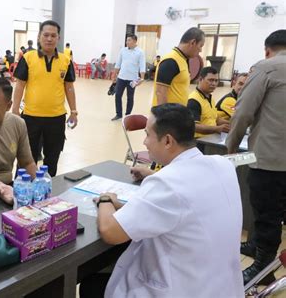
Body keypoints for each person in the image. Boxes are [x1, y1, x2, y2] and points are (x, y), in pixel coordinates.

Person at [80, 103, 243, 298]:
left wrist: (106, 199)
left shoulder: (167, 184)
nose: (145, 142)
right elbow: (186, 200)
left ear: (167, 141)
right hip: (218, 286)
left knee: (91, 285)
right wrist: (151, 174)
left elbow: (111, 232)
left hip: (180, 289)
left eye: (148, 134)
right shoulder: (221, 164)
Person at [226, 29, 286, 285]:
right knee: (276, 213)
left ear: (267, 49)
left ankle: (263, 268)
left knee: (266, 213)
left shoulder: (266, 68)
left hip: (270, 158)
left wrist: (231, 148)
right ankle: (257, 246)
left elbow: (242, 113)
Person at [12, 20, 77, 176]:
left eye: (53, 35)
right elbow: (20, 85)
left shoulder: (65, 61)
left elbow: (69, 87)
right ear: (39, 36)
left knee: (52, 158)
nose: (49, 39)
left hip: (57, 118)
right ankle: (20, 191)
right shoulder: (28, 57)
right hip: (30, 117)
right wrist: (15, 110)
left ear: (58, 38)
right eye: (46, 35)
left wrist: (74, 111)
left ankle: (48, 189)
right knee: (26, 157)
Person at [152, 27, 205, 106]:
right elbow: (160, 93)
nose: (200, 50)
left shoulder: (182, 59)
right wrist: (164, 117)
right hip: (167, 116)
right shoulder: (171, 61)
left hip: (177, 114)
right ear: (193, 42)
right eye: (201, 46)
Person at [187, 67, 230, 139]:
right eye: (210, 80)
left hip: (211, 138)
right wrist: (217, 129)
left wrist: (232, 124)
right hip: (199, 141)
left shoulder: (210, 98)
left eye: (216, 81)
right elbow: (194, 126)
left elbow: (215, 119)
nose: (214, 84)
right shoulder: (194, 100)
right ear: (200, 79)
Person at [111, 34, 146, 121]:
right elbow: (118, 63)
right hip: (121, 77)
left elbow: (142, 66)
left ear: (134, 41)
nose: (127, 42)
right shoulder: (123, 50)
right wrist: (114, 75)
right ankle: (118, 114)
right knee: (118, 95)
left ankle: (128, 115)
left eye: (129, 40)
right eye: (127, 40)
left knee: (130, 97)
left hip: (133, 79)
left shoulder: (140, 52)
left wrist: (142, 78)